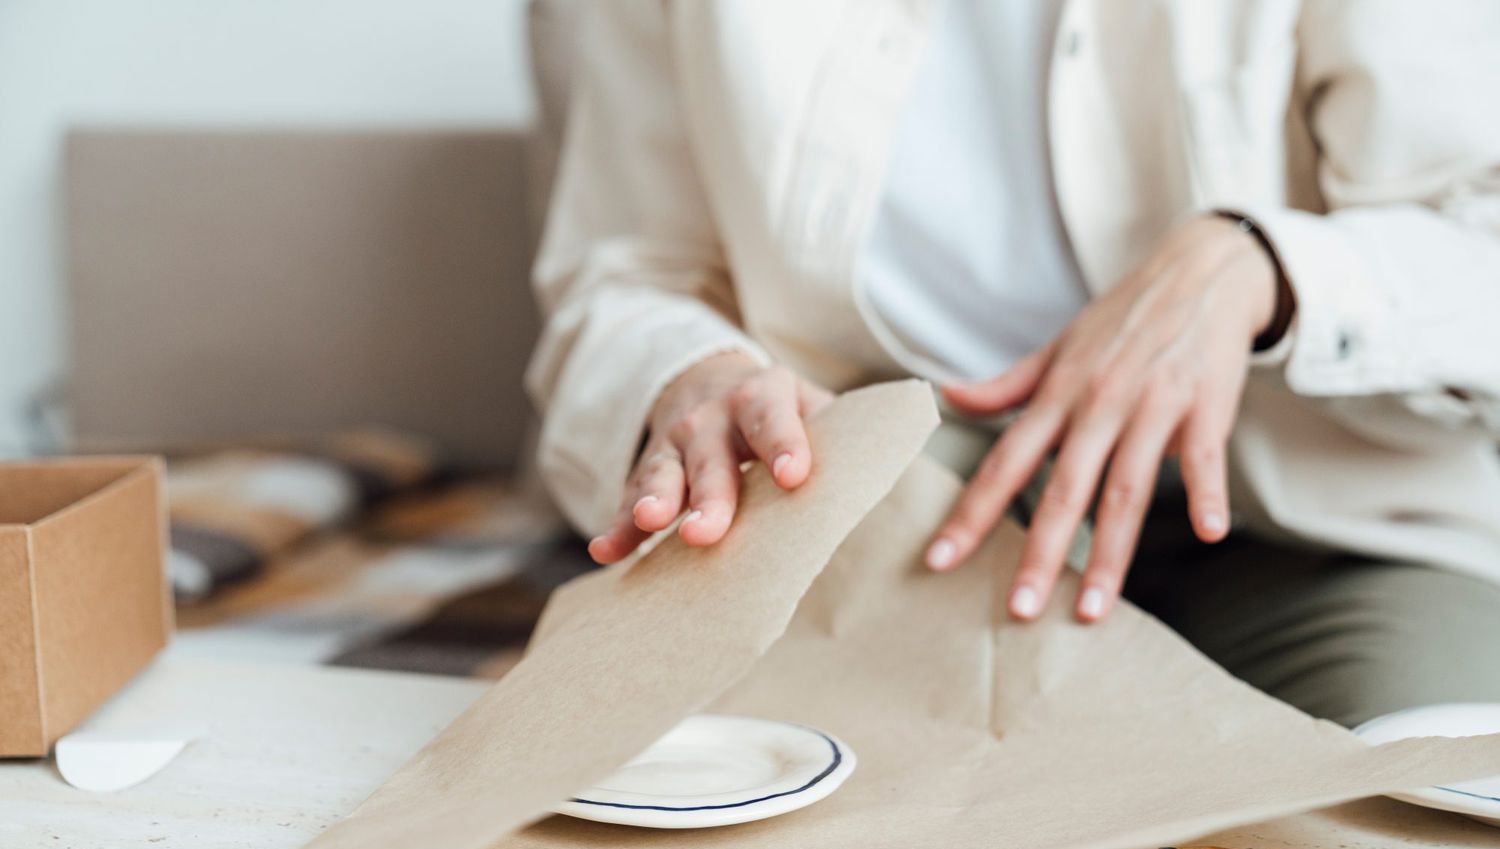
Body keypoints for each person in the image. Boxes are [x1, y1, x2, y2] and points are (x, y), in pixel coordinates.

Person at [526, 0, 1500, 726]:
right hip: (896, 496)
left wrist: (1268, 269)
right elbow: (627, 269)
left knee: (1415, 825)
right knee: (732, 798)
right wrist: (689, 369)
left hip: (1325, 517)